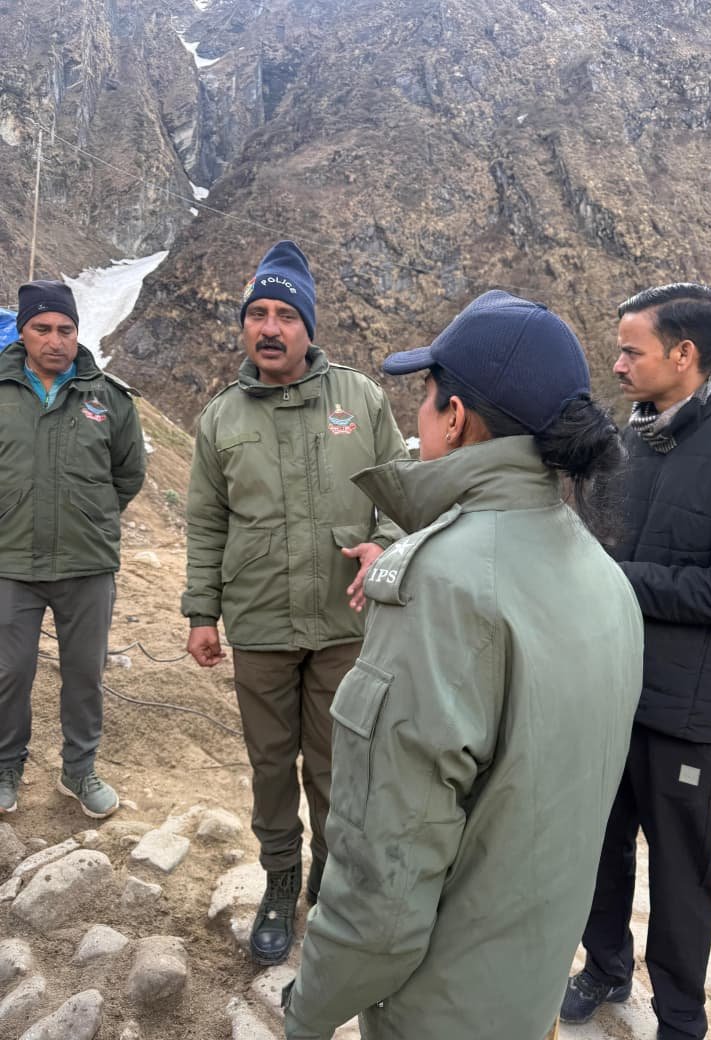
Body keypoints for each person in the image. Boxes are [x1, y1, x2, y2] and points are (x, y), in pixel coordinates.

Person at [282, 290, 645, 1040]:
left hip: (440, 1008)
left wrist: (309, 1012)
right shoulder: (603, 576)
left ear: (454, 417)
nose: (415, 415)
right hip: (529, 989)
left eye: (424, 394)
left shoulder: (441, 585)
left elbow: (384, 880)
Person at [561, 283, 711, 1039]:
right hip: (609, 687)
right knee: (600, 843)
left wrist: (615, 577)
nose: (618, 364)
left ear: (684, 354)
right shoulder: (624, 446)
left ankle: (681, 1017)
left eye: (632, 351)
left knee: (681, 868)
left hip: (685, 712)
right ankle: (604, 966)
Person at [182, 240, 408, 966]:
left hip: (346, 621)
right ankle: (280, 880)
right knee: (272, 763)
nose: (270, 328)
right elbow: (206, 522)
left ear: (309, 326)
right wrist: (201, 613)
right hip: (260, 623)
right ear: (245, 326)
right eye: (258, 315)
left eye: (285, 315)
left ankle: (330, 880)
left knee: (337, 766)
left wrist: (384, 545)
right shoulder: (220, 419)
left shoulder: (360, 400)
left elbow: (400, 492)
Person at [0, 280, 146, 818]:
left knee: (85, 674)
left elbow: (128, 473)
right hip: (9, 561)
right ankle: (5, 767)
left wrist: (89, 515)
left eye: (65, 329)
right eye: (42, 328)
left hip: (86, 563)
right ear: (23, 332)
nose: (55, 339)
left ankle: (79, 770)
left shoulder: (108, 398)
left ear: (77, 333)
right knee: (8, 673)